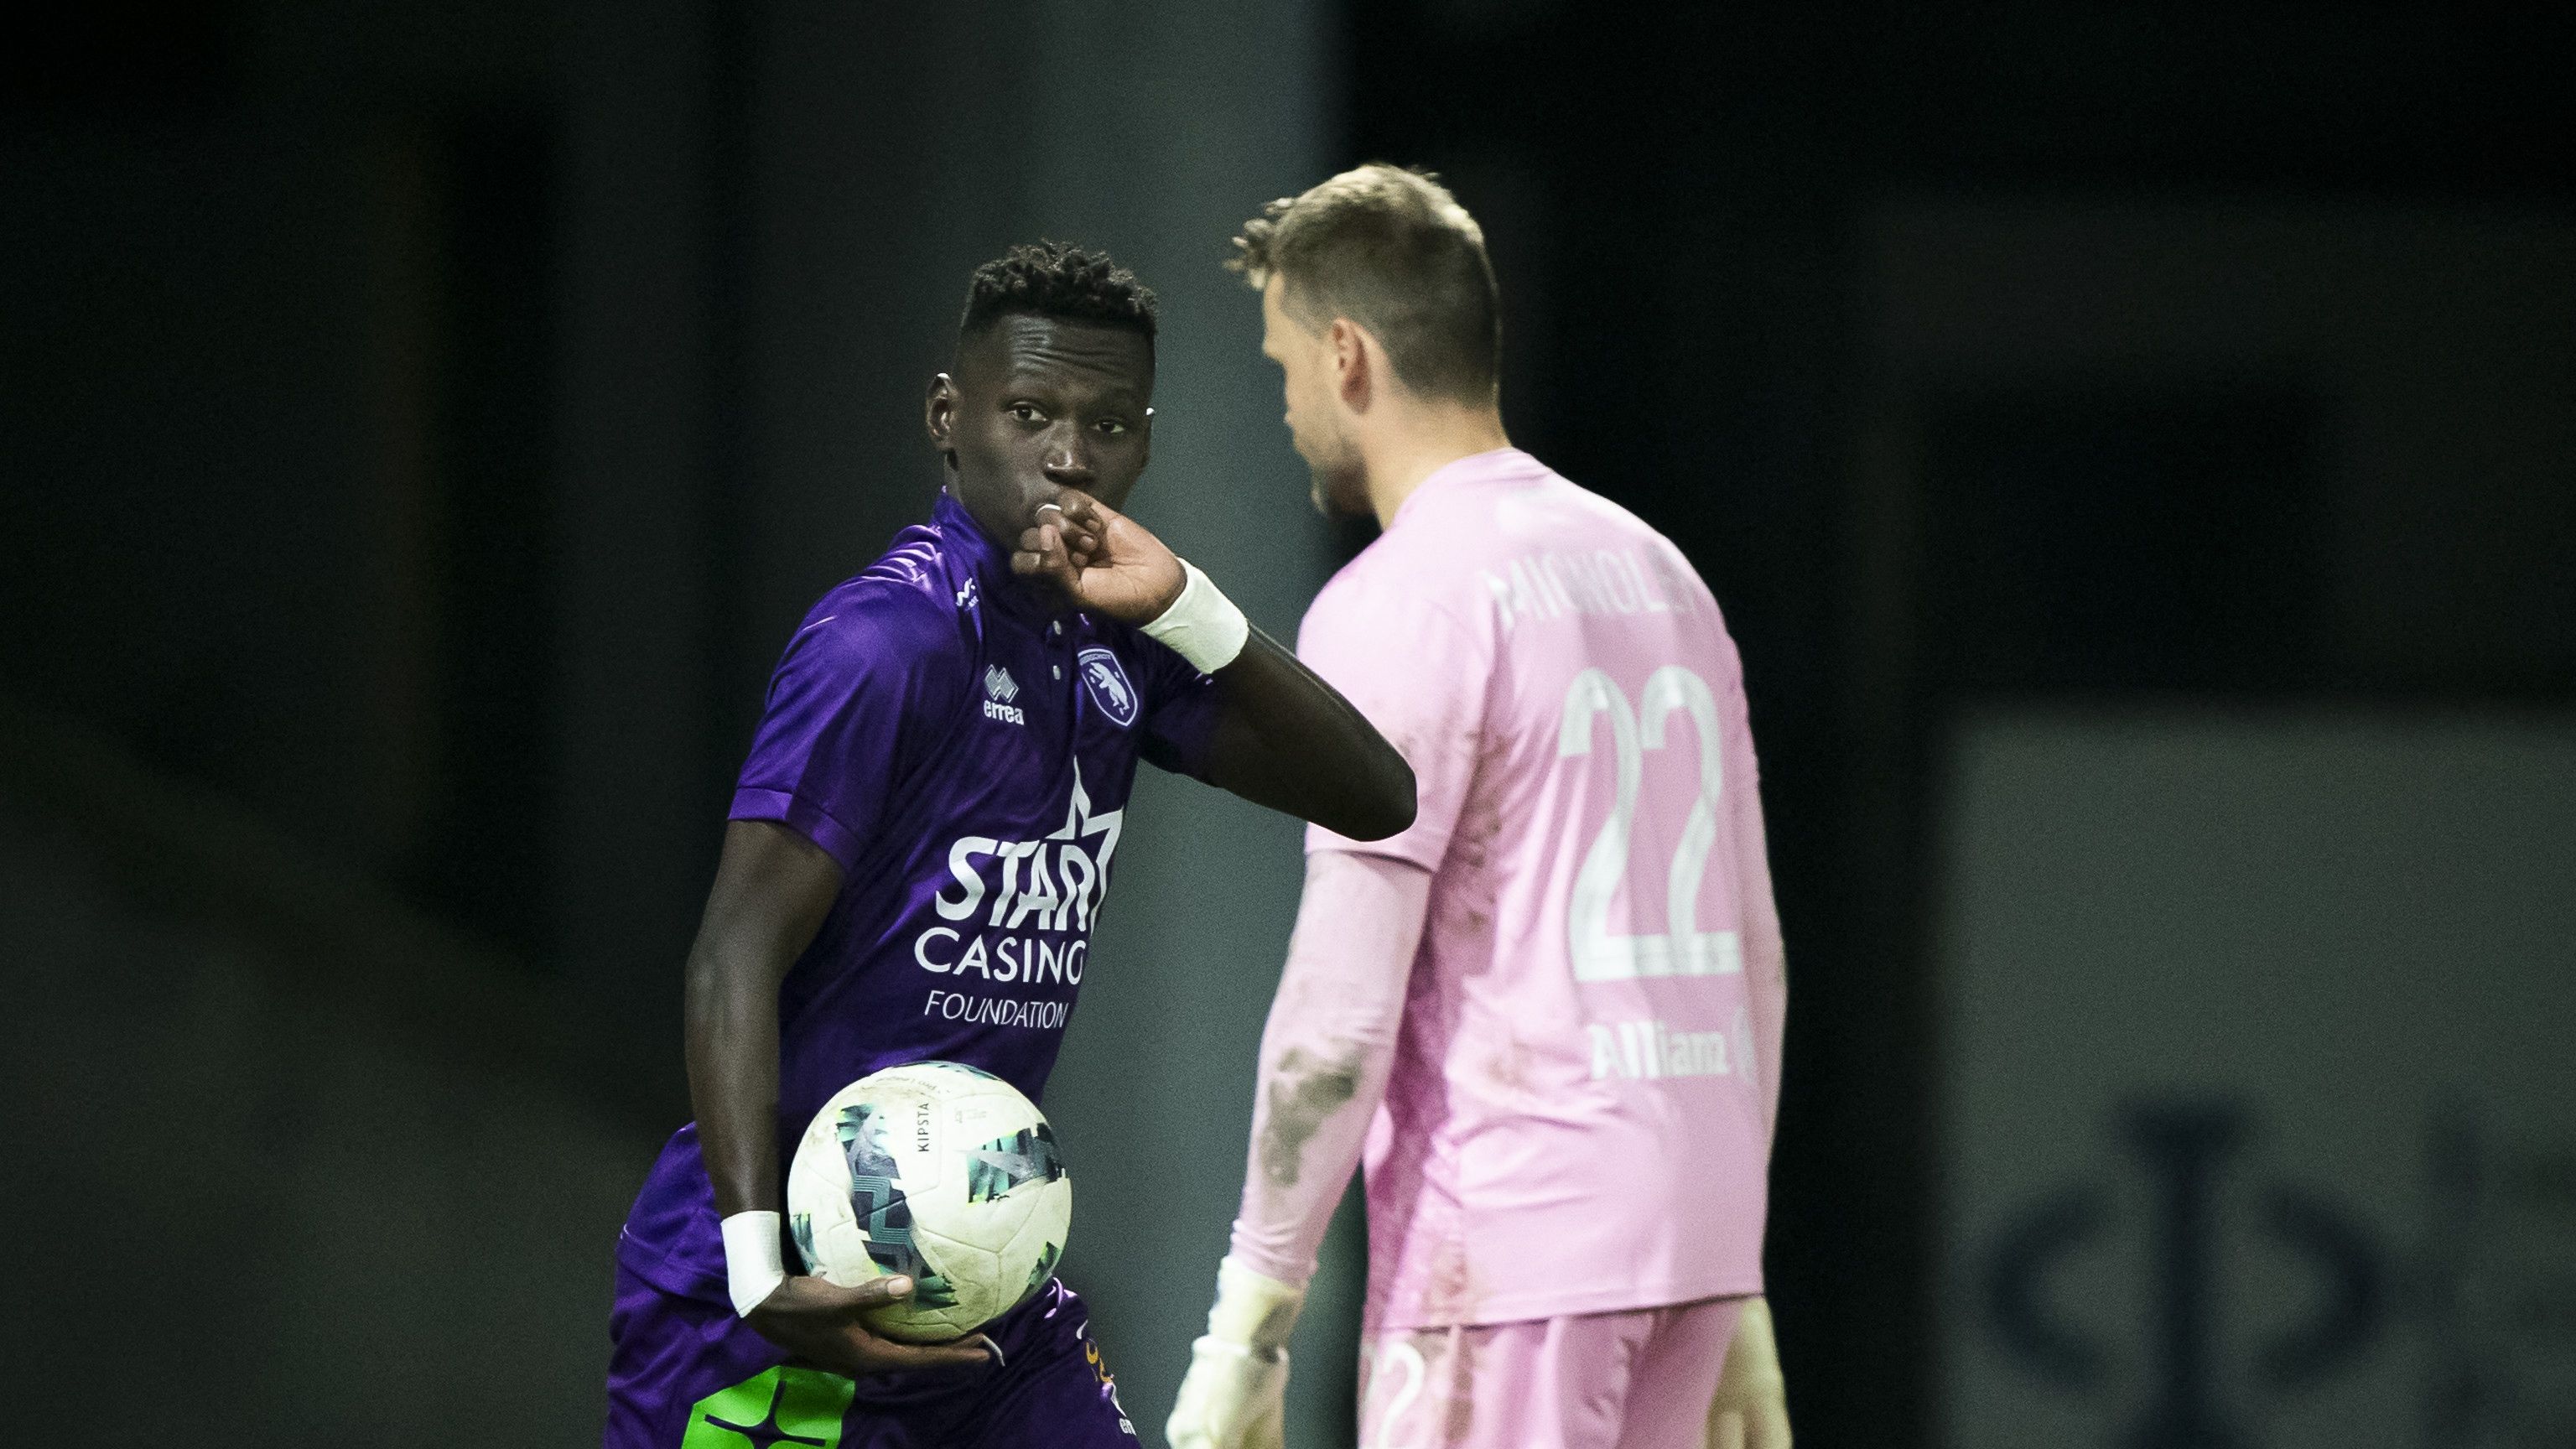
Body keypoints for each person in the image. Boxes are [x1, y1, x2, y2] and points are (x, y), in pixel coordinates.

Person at [604, 241, 1415, 1449]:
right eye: (1030, 412)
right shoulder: (885, 644)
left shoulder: (1113, 644)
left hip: (979, 1282)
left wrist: (1189, 602)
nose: (1071, 455)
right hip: (779, 1297)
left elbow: (1378, 795)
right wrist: (758, 1263)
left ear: (1145, 441)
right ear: (950, 416)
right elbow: (731, 957)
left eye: (1110, 424)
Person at [1163, 168, 1794, 1449]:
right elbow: (1753, 960)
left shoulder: (1402, 602)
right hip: (1690, 1249)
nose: (1283, 406)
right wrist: (1743, 1277)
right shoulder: (1660, 574)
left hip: (1509, 1254)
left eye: (1283, 365)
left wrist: (1251, 1321)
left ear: (1348, 357)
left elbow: (1338, 1021)